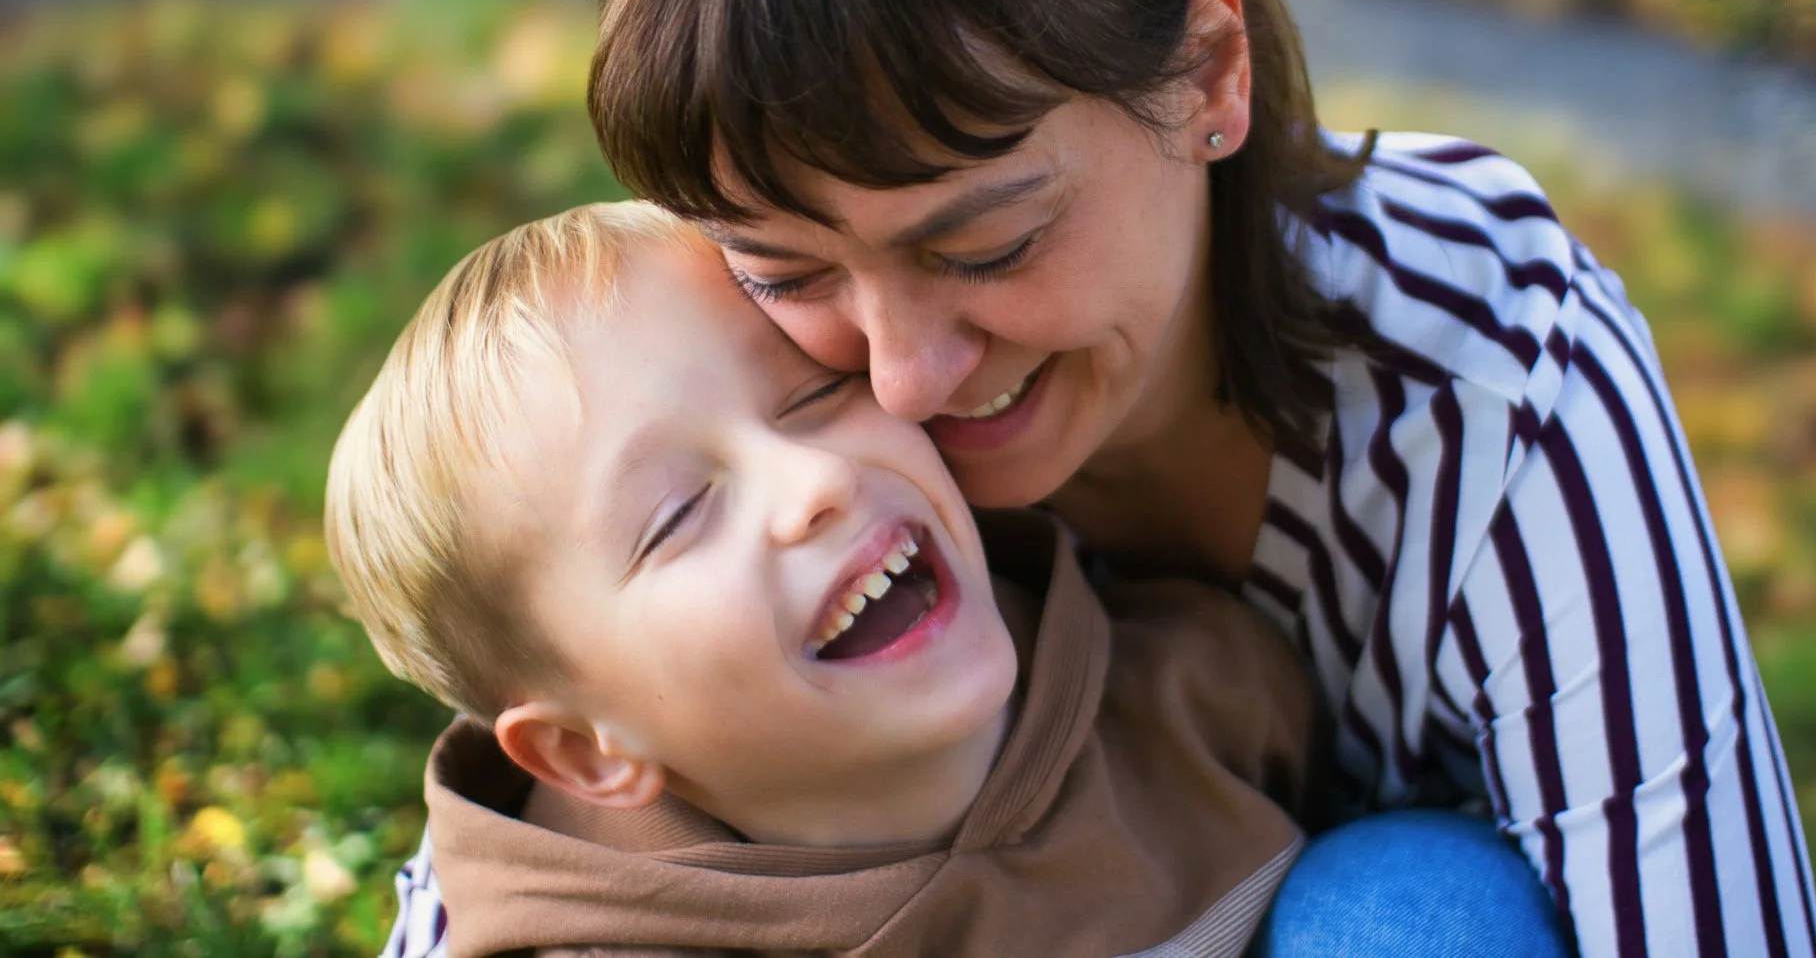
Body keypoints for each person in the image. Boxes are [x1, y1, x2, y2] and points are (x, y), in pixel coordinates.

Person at [388, 0, 1816, 958]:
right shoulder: (779, 446)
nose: (903, 378)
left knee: (1419, 915)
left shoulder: (1495, 382)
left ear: (1209, 73)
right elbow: (553, 735)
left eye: (988, 245)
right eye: (792, 271)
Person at [328, 201, 1332, 956]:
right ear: (589, 755)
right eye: (678, 514)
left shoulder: (1196, 696)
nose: (813, 481)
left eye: (814, 395)